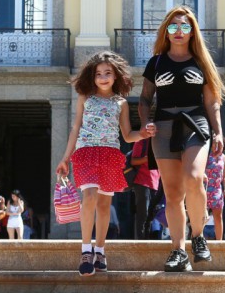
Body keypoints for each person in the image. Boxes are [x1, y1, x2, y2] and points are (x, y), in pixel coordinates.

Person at [138, 6, 225, 272]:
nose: (179, 31)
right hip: (163, 127)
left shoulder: (201, 62)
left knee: (194, 177)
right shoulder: (156, 63)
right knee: (173, 193)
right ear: (166, 31)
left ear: (192, 32)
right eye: (173, 26)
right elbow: (145, 99)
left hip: (196, 125)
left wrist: (218, 131)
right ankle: (178, 250)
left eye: (185, 26)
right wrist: (145, 123)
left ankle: (198, 236)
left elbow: (212, 101)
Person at [57, 50, 153, 275]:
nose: (103, 77)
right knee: (89, 196)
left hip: (110, 155)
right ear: (92, 76)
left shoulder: (121, 103)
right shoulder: (85, 97)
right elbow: (75, 128)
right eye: (98, 73)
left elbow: (127, 135)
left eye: (107, 73)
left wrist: (143, 134)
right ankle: (86, 251)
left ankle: (100, 251)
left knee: (103, 205)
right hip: (86, 153)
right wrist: (65, 158)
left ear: (115, 75)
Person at [130, 137, 160, 238]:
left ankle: (147, 240)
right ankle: (140, 241)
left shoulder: (160, 142)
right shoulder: (141, 141)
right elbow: (133, 161)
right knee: (143, 214)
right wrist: (147, 158)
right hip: (142, 182)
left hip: (155, 184)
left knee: (151, 216)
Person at [205, 149, 225, 241]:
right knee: (201, 217)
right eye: (214, 143)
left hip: (217, 189)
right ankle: (197, 239)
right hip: (204, 188)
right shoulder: (206, 154)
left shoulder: (223, 156)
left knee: (218, 217)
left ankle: (219, 242)